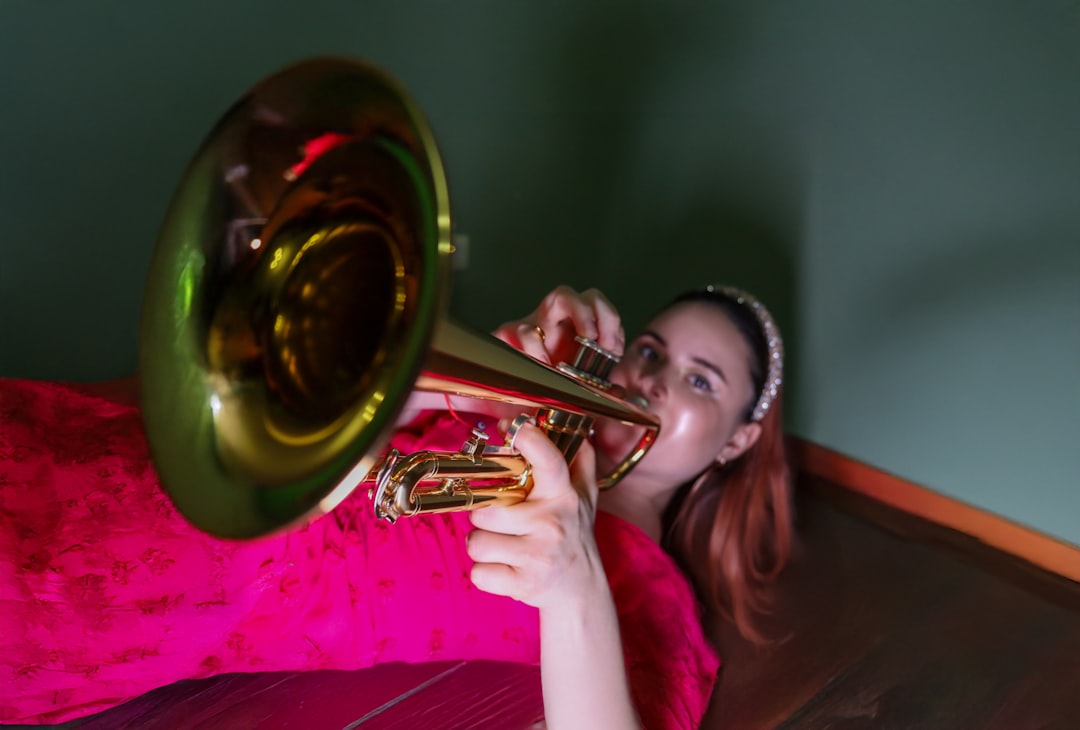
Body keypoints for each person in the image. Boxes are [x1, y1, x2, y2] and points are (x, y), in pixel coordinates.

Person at [0, 284, 792, 729]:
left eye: (699, 380)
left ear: (736, 440)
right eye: (649, 350)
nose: (647, 380)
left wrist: (575, 581)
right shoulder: (509, 416)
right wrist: (447, 377)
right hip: (165, 449)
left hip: (175, 576)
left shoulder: (653, 599)